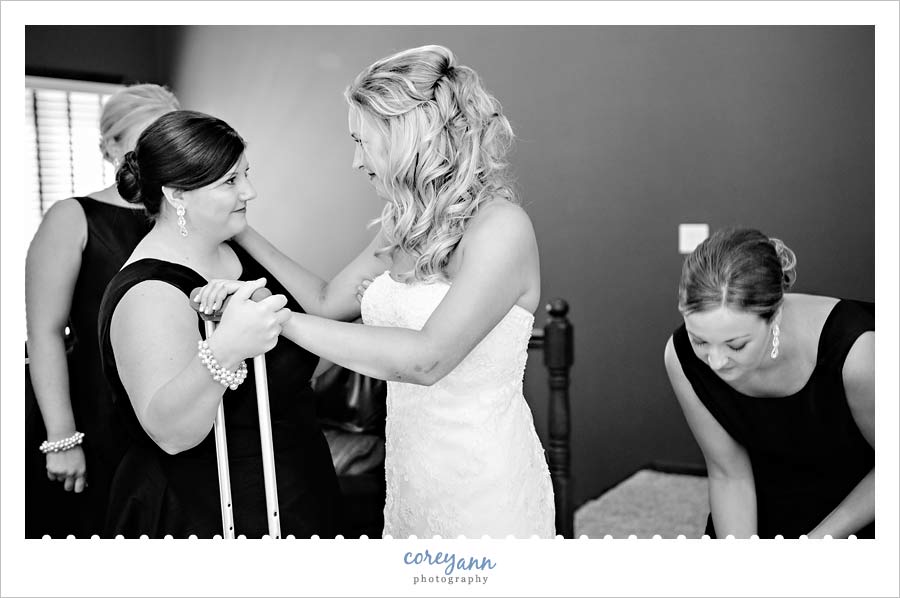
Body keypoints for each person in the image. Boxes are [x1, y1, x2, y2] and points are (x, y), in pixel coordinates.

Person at [195, 45, 555, 538]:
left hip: (483, 482)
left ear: (408, 136)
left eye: (363, 141)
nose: (355, 160)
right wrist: (239, 228)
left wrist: (279, 320)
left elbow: (427, 359)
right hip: (411, 472)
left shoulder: (502, 228)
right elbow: (325, 300)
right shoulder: (402, 227)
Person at [97, 110, 340, 538]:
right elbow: (172, 434)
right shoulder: (149, 292)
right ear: (177, 194)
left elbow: (317, 320)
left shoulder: (233, 246)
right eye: (230, 181)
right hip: (211, 509)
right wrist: (225, 348)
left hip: (295, 485)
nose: (250, 190)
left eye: (245, 173)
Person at [25, 83, 180, 538]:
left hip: (173, 412)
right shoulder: (72, 217)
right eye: (139, 145)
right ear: (109, 148)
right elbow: (45, 332)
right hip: (96, 413)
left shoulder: (187, 218)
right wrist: (62, 437)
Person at [664, 227, 874, 538]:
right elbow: (728, 474)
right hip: (766, 508)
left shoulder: (857, 351)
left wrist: (814, 546)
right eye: (700, 340)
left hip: (863, 509)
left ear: (774, 315)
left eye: (736, 345)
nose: (716, 361)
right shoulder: (681, 357)